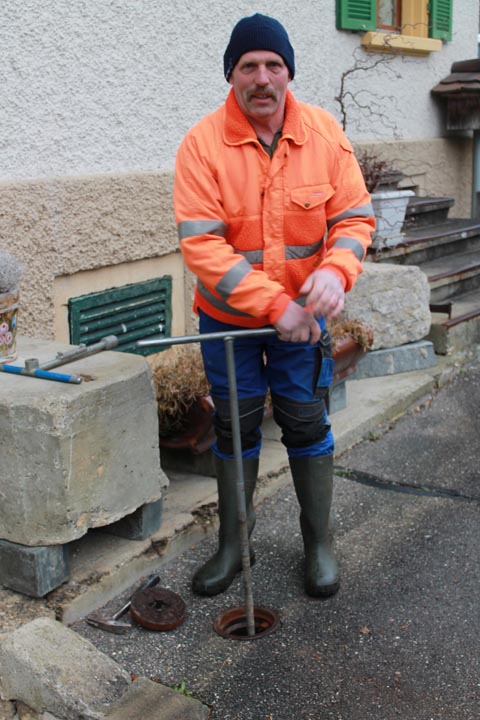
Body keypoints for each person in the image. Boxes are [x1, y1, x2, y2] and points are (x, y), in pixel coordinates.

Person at [173, 13, 375, 599]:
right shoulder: (202, 144)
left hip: (304, 323)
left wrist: (336, 274)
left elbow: (355, 218)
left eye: (273, 65)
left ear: (289, 72)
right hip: (231, 322)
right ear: (231, 74)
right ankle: (236, 544)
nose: (262, 78)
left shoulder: (324, 133)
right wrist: (274, 307)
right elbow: (202, 246)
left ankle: (318, 543)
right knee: (234, 428)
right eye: (248, 66)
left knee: (305, 420)